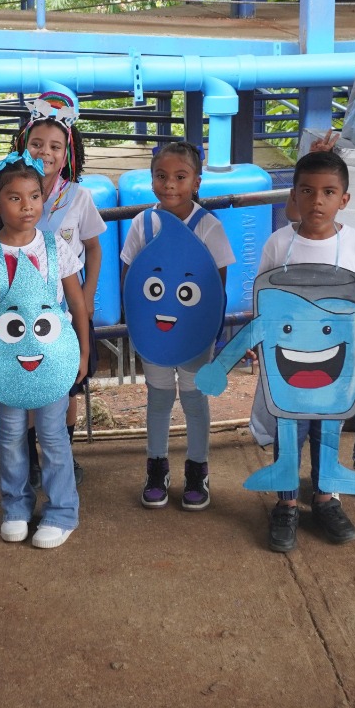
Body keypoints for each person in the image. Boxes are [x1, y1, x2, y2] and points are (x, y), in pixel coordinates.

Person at [252, 151, 355, 553]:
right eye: (307, 191)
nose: (317, 201)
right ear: (294, 195)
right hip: (288, 361)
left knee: (328, 430)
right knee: (289, 430)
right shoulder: (279, 242)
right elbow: (263, 297)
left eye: (328, 192)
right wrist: (259, 342)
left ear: (344, 199)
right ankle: (288, 504)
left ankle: (325, 499)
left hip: (335, 361)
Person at [0, 155, 91, 549]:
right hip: (3, 363)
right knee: (11, 435)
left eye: (34, 196)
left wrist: (83, 354)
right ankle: (15, 507)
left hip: (53, 362)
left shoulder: (56, 248)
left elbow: (77, 303)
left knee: (53, 436)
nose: (27, 205)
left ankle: (63, 511)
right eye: (15, 198)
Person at [0, 91, 103, 482]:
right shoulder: (7, 194)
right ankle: (32, 457)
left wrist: (89, 296)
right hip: (18, 313)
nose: (45, 152)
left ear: (68, 152)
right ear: (23, 145)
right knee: (24, 381)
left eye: (55, 146)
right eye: (36, 144)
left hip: (63, 311)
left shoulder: (78, 198)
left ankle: (61, 451)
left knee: (65, 384)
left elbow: (94, 248)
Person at [119, 142, 234, 511]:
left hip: (194, 334)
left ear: (196, 181)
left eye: (180, 177)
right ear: (152, 179)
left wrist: (209, 331)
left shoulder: (208, 227)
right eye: (161, 176)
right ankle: (156, 468)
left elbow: (217, 286)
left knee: (194, 399)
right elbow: (130, 277)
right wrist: (136, 323)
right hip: (155, 331)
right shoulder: (143, 223)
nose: (170, 184)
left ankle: (198, 470)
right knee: (159, 396)